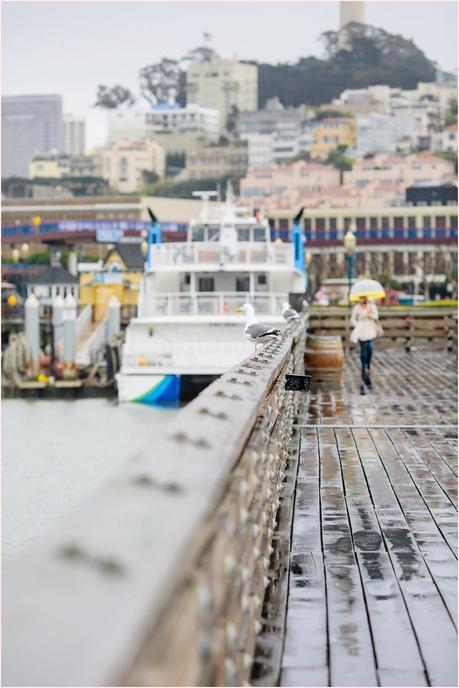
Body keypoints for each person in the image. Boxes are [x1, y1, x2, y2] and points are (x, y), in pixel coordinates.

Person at [351, 296, 379, 394]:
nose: (361, 300)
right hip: (361, 329)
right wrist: (357, 325)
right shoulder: (356, 308)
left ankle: (368, 364)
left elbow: (376, 317)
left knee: (370, 348)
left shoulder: (372, 306)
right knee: (363, 349)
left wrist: (370, 314)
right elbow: (353, 319)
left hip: (370, 328)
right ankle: (363, 367)